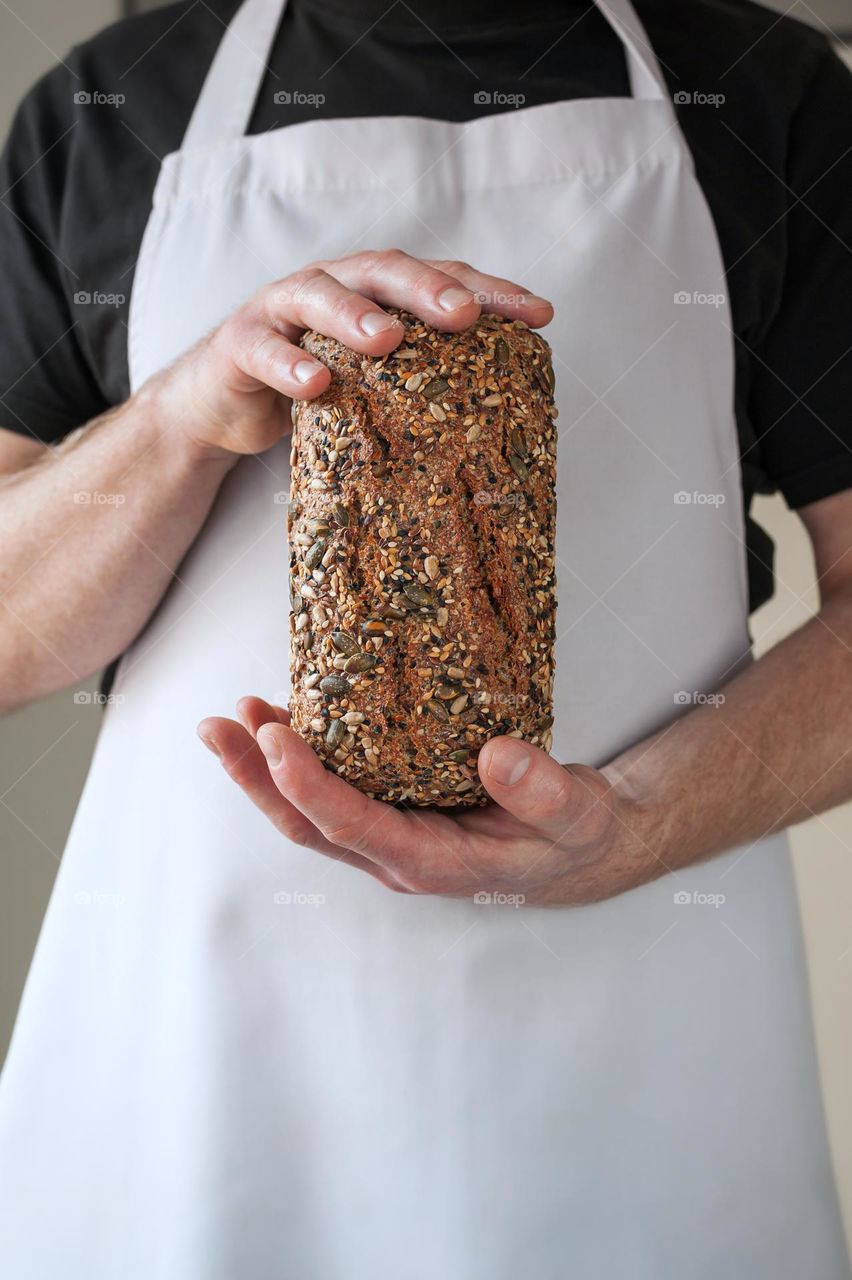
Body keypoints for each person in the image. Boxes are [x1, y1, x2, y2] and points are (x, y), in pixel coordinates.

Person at [0, 0, 851, 1275]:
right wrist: (181, 415)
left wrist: (640, 819)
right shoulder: (111, 110)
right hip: (199, 1044)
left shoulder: (769, 97)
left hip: (635, 1031)